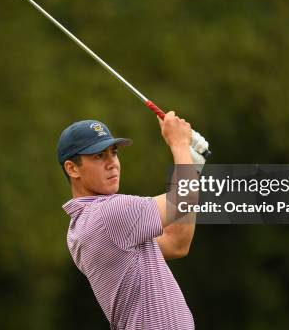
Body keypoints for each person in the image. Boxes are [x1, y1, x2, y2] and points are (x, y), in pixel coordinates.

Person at [58, 112, 204, 330]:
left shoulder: (84, 225)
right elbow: (184, 198)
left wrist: (190, 165)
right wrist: (179, 144)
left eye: (113, 153)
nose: (112, 164)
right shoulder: (108, 214)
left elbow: (177, 242)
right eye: (98, 156)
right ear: (72, 168)